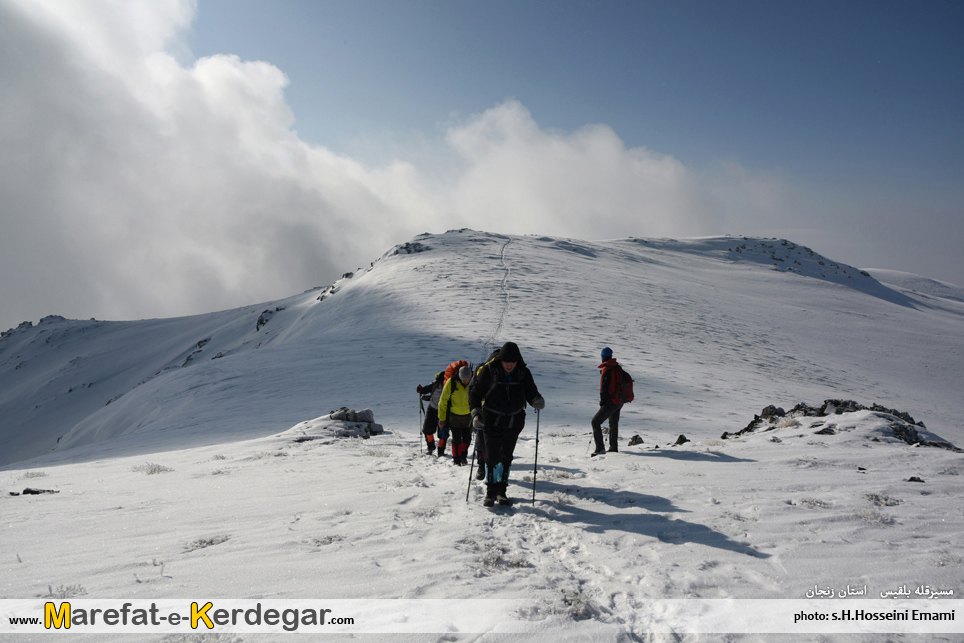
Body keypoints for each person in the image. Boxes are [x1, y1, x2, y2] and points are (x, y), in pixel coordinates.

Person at [468, 342, 545, 506]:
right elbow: (475, 394)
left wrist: (536, 400)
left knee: (506, 457)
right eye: (506, 362)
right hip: (491, 421)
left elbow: (531, 392)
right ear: (501, 360)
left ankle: (502, 491)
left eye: (513, 362)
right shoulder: (489, 371)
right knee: (492, 457)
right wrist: (475, 413)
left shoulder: (523, 373)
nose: (509, 365)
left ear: (517, 361)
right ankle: (490, 492)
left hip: (514, 422)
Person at [438, 366, 474, 465]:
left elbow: (480, 398)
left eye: (468, 380)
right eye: (464, 380)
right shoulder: (452, 382)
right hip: (454, 416)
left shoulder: (473, 382)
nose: (466, 382)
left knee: (467, 439)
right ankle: (456, 459)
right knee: (456, 438)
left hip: (468, 416)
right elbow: (443, 401)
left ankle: (463, 456)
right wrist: (442, 419)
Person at [591, 346, 623, 456]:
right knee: (613, 423)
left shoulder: (607, 369)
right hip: (619, 401)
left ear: (602, 357)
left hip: (611, 402)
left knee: (595, 422)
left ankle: (600, 448)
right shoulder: (617, 367)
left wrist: (602, 402)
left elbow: (604, 388)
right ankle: (613, 447)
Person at [416, 371, 445, 455]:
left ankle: (433, 449)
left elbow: (426, 389)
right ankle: (438, 450)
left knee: (432, 430)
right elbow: (426, 389)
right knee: (441, 432)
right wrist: (421, 390)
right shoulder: (438, 384)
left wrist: (421, 390)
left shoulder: (436, 384)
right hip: (437, 410)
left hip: (436, 409)